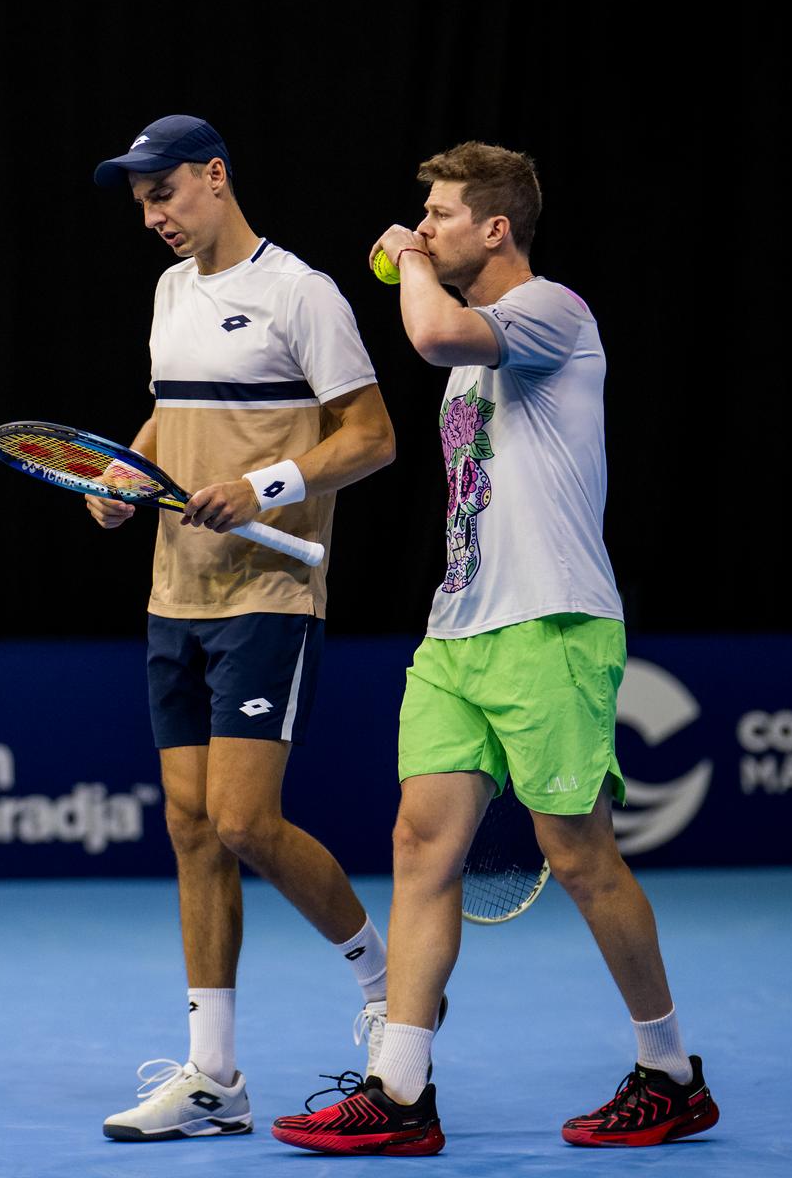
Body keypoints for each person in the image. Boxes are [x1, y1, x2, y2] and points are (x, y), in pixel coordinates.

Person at [270, 142, 720, 1156]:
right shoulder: (474, 352)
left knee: (580, 854)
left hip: (553, 623)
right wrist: (417, 261)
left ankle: (670, 1071)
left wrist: (405, 258)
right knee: (418, 845)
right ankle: (400, 1089)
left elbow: (430, 332)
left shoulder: (553, 311)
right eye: (422, 217)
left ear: (496, 228)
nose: (424, 229)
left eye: (439, 215)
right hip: (457, 631)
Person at [88, 115, 398, 1142]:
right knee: (190, 827)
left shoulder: (303, 294)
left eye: (165, 193)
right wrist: (125, 474)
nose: (154, 216)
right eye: (143, 203)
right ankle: (214, 1077)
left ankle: (388, 980)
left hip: (269, 592)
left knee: (243, 820)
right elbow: (169, 415)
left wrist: (265, 486)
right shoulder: (170, 292)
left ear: (215, 176)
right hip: (173, 594)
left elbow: (373, 436)